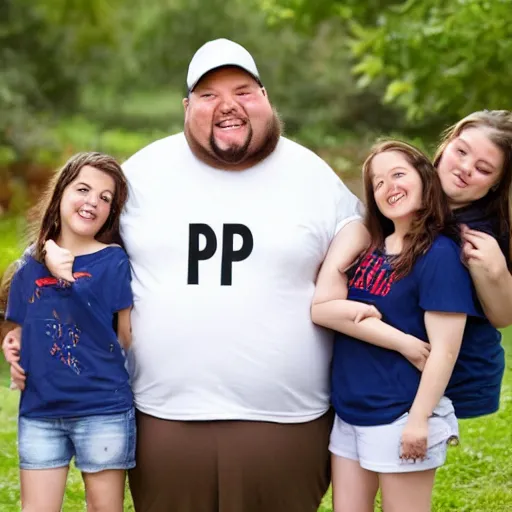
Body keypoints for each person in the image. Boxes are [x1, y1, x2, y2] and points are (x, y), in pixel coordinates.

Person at [17, 39, 364, 512]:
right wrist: (19, 334)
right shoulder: (142, 174)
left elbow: (376, 239)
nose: (228, 106)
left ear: (265, 97)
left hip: (289, 422)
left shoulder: (312, 174)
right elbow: (66, 242)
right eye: (208, 95)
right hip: (164, 420)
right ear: (186, 107)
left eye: (243, 91)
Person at [312, 141, 481, 512]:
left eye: (399, 174)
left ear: (424, 179)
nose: (389, 187)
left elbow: (444, 349)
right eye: (378, 182)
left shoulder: (438, 255)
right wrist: (399, 339)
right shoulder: (371, 246)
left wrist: (419, 420)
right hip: (351, 411)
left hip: (401, 412)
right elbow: (323, 311)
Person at [1, 152, 134, 512]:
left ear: (111, 211)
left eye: (105, 198)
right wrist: (13, 347)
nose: (93, 201)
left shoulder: (113, 260)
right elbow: (18, 329)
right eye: (84, 189)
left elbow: (123, 336)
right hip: (41, 412)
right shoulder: (29, 264)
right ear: (60, 192)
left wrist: (69, 276)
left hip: (102, 409)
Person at [434, 110, 512, 418]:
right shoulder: (401, 192)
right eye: (461, 151)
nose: (465, 168)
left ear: (496, 184)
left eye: (483, 169)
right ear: (447, 145)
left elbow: (503, 316)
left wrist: (495, 271)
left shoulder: (490, 232)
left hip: (461, 373)